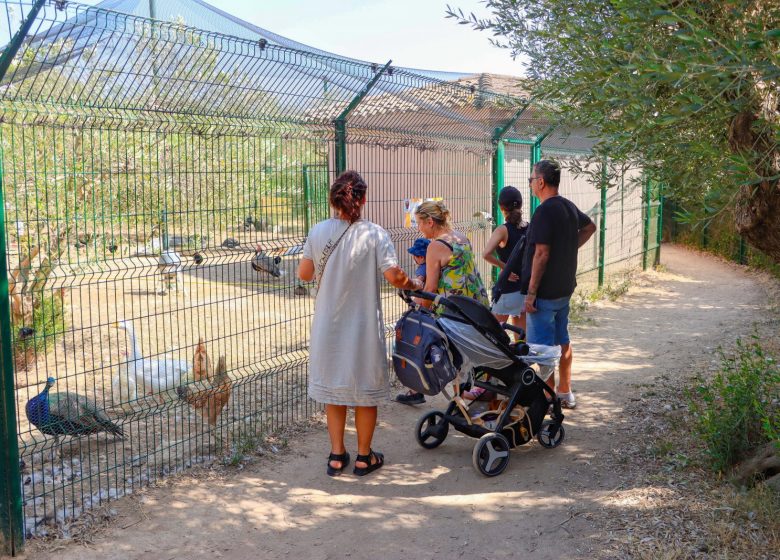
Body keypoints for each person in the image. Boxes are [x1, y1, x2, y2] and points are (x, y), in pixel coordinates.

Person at [298, 170, 423, 476]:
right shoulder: (375, 233)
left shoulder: (317, 231)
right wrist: (415, 285)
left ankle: (337, 455)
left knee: (334, 389)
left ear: (333, 199)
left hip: (328, 324)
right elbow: (394, 276)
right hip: (365, 325)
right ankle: (365, 457)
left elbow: (304, 274)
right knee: (365, 390)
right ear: (364, 200)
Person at [395, 200, 489, 405]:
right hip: (476, 306)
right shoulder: (461, 238)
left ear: (430, 222)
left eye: (419, 223)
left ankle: (420, 388)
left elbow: (430, 288)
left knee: (422, 338)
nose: (418, 229)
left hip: (453, 311)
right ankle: (458, 393)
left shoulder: (436, 246)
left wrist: (420, 310)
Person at [521, 160, 596, 409]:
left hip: (545, 294)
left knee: (543, 349)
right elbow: (589, 227)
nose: (531, 184)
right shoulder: (567, 206)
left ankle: (547, 397)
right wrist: (569, 247)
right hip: (564, 290)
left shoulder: (544, 211)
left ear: (540, 182)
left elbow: (541, 254)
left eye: (532, 179)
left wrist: (531, 293)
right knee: (562, 341)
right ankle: (565, 391)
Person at [482, 185, 528, 334]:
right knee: (521, 336)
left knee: (493, 334)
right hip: (525, 288)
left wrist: (505, 268)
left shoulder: (503, 229)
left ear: (502, 207)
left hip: (508, 288)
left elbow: (486, 254)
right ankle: (519, 357)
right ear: (521, 204)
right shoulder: (529, 227)